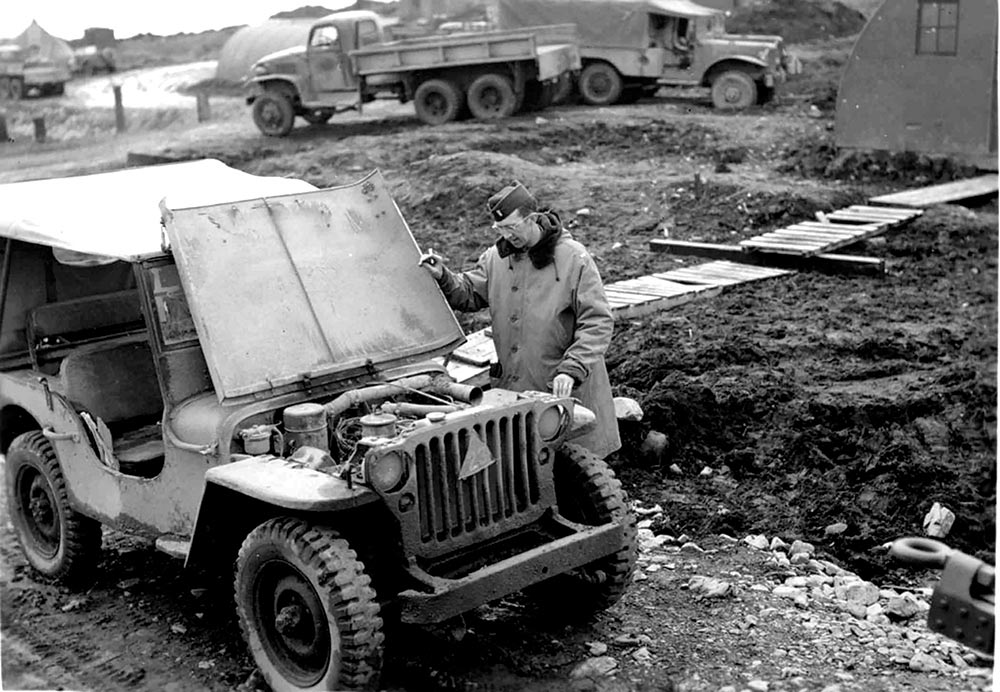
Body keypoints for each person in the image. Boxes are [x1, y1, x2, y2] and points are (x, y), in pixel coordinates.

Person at [419, 181, 620, 458]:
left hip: (565, 386)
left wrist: (571, 369)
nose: (506, 235)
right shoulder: (495, 259)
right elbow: (469, 295)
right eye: (499, 229)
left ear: (532, 219)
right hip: (517, 389)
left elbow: (597, 321)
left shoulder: (574, 258)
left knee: (577, 471)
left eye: (512, 227)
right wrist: (444, 276)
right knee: (528, 470)